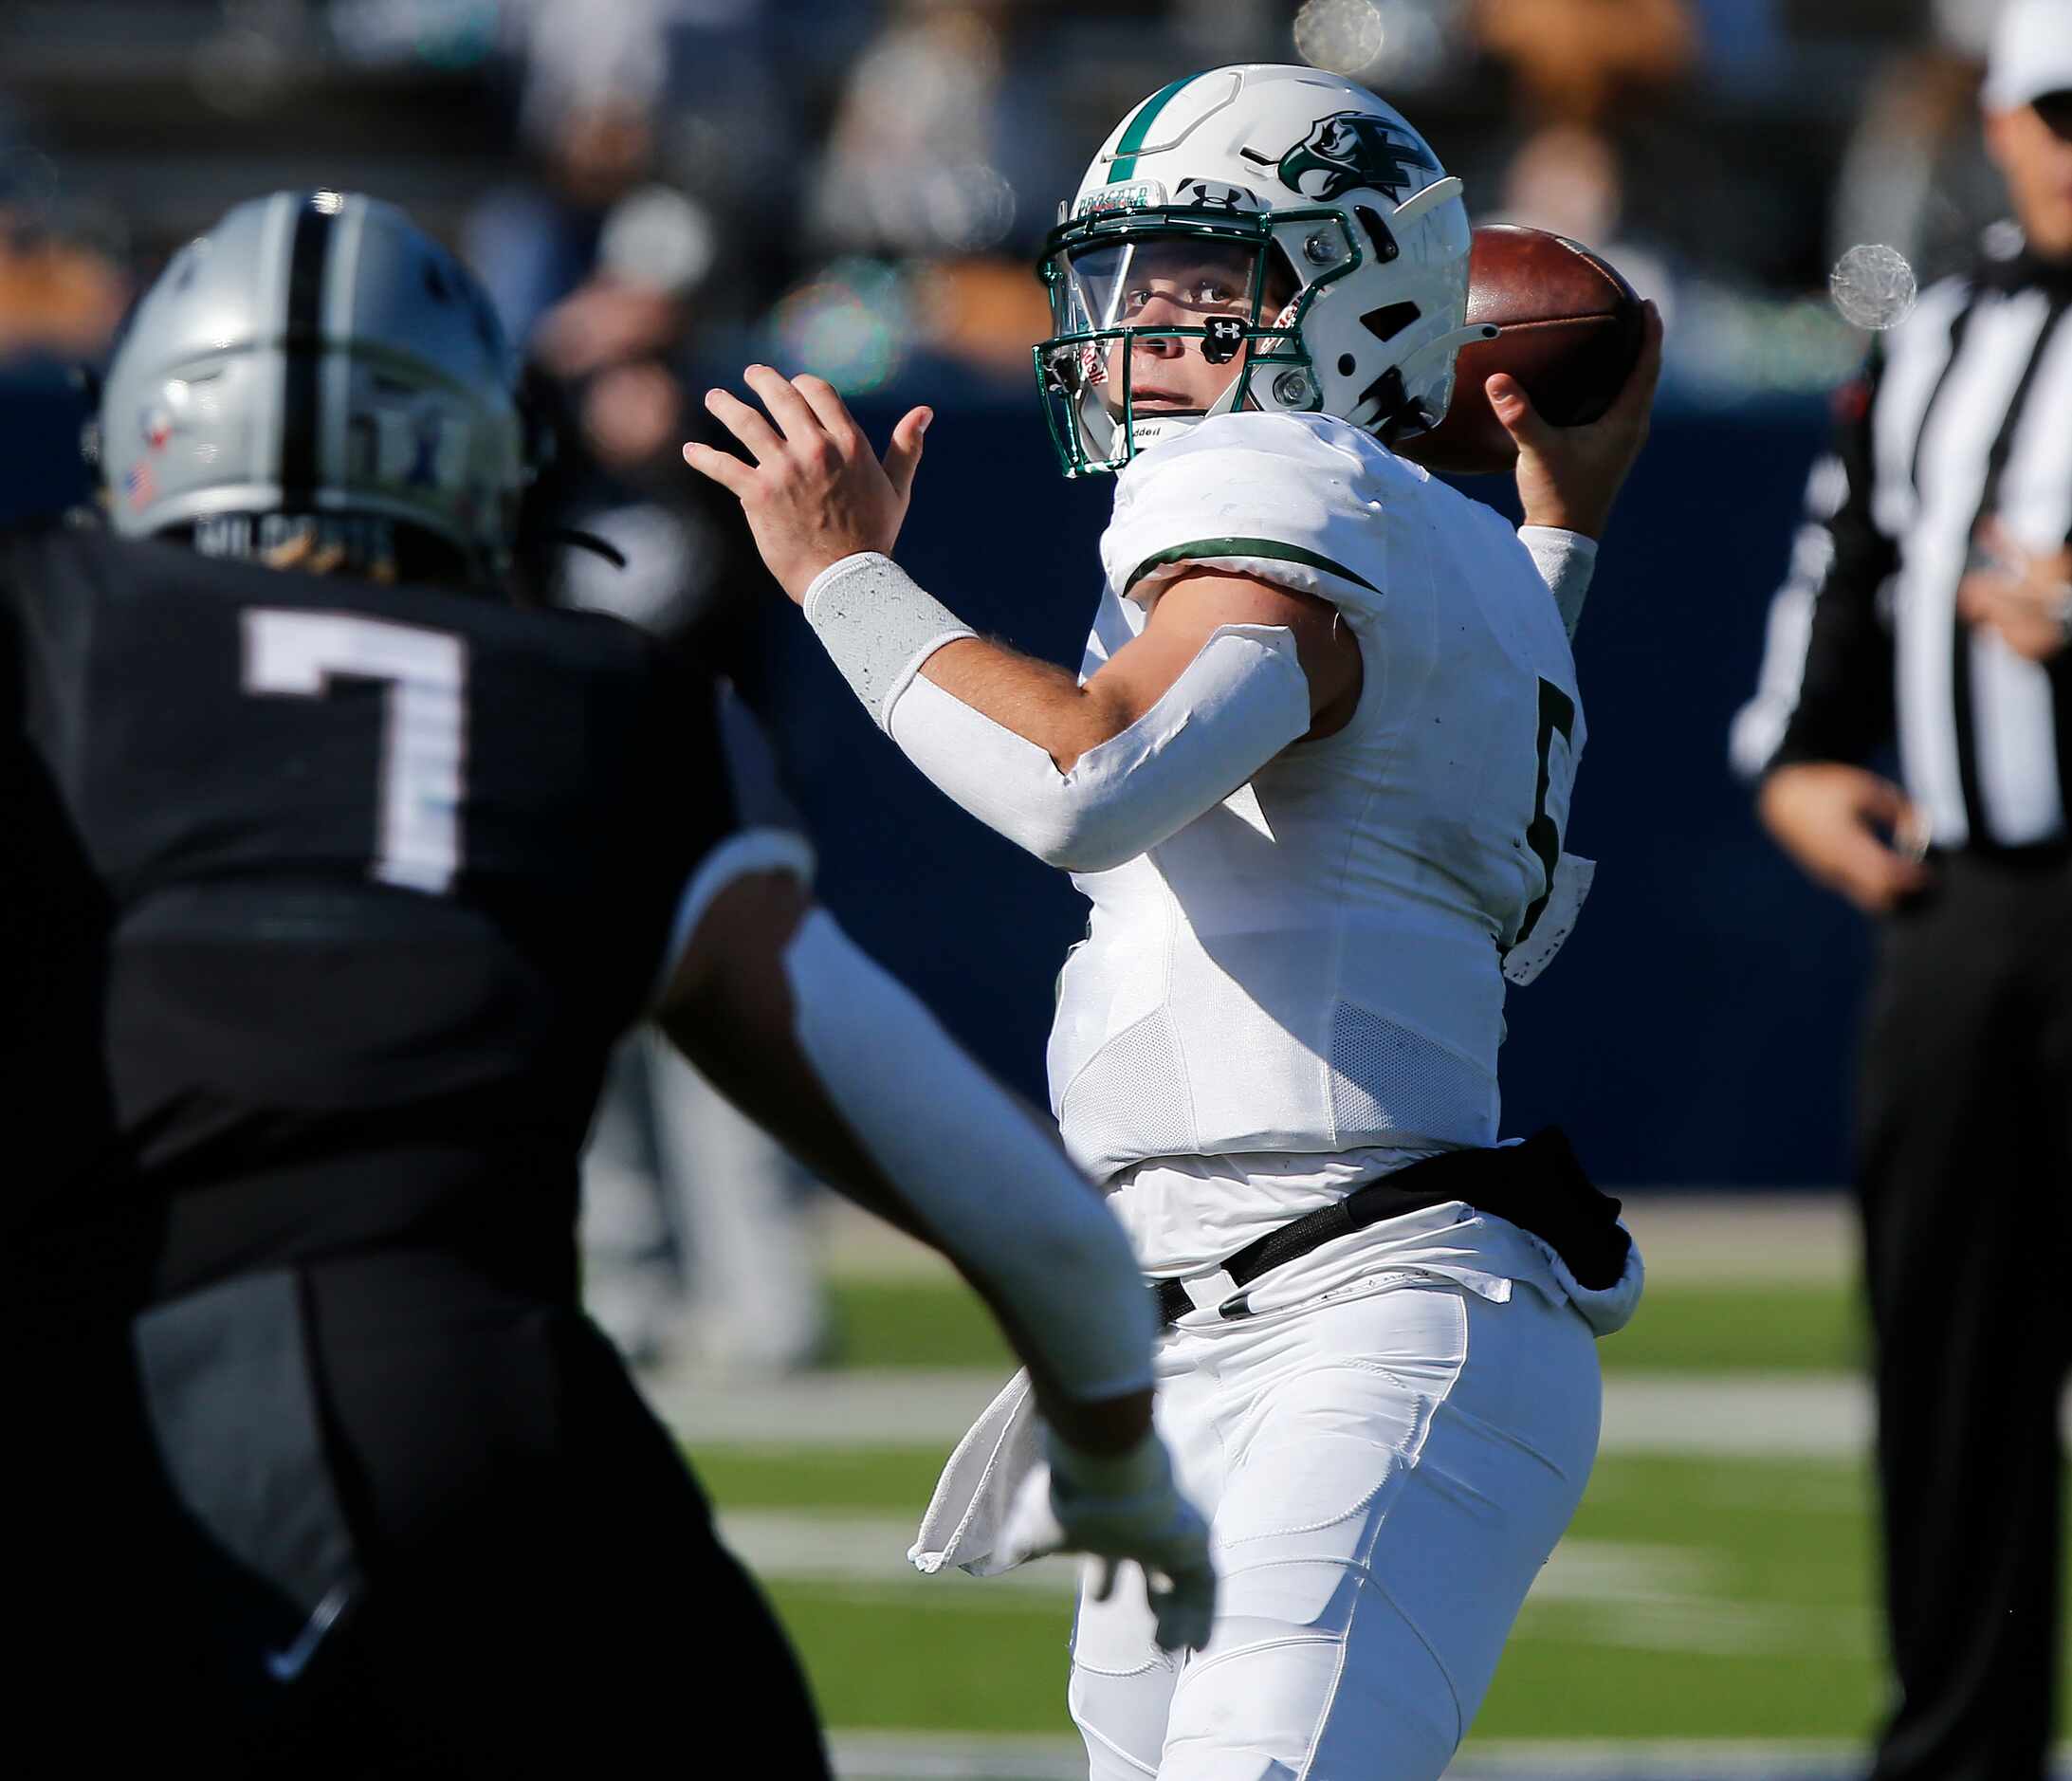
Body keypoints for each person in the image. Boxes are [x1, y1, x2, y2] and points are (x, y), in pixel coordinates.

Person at [0, 189, 1215, 1776]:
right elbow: (1031, 1221)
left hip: (90, 1435)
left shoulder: (40, 624)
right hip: (479, 1441)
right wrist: (1116, 1464)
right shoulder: (604, 706)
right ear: (476, 447)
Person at [688, 63, 1657, 1781]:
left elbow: (1091, 776)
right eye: (1124, 282)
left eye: (1201, 284)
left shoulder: (1303, 484)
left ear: (1354, 293)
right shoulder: (1479, 566)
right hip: (1234, 1323)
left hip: (1364, 1301)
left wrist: (841, 574)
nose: (1135, 330)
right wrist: (1556, 530)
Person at [1731, 6, 2072, 1776]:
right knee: (1950, 1368)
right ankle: (1957, 1751)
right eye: (2066, 116)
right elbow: (1837, 582)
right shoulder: (1936, 334)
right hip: (1962, 916)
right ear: (2003, 127)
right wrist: (1793, 762)